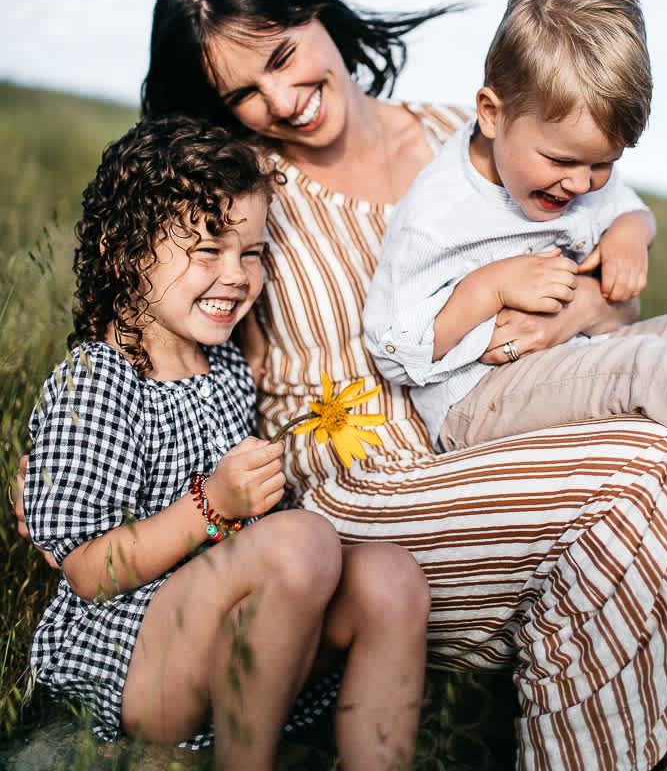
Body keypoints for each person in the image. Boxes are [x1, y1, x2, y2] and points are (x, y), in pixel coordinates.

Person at [16, 0, 667, 770]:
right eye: (243, 91)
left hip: (513, 425)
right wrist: (86, 448)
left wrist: (561, 316)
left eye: (283, 55)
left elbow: (614, 292)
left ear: (315, 11)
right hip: (362, 495)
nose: (281, 99)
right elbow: (155, 304)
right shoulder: (241, 190)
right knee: (651, 467)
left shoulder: (465, 138)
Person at [22, 116, 429, 771]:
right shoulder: (98, 382)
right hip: (130, 666)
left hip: (225, 641)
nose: (237, 275)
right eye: (207, 251)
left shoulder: (228, 365)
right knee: (303, 540)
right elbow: (88, 570)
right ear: (126, 253)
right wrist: (211, 506)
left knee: (392, 577)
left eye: (251, 253)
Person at [363, 0, 667, 458]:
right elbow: (391, 350)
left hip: (580, 356)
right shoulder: (434, 217)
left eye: (602, 164)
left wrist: (631, 234)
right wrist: (489, 287)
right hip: (480, 401)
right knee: (644, 368)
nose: (580, 184)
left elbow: (627, 207)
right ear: (490, 114)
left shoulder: (575, 171)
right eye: (560, 161)